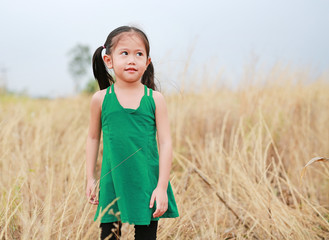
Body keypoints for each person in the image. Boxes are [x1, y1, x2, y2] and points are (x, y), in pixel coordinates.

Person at [85, 26, 179, 240]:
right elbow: (92, 138)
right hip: (112, 181)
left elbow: (165, 143)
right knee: (110, 236)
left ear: (147, 62)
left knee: (146, 236)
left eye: (139, 54)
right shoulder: (100, 99)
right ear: (109, 61)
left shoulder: (155, 99)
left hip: (147, 182)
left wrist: (162, 186)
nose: (131, 60)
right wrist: (90, 178)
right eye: (124, 53)